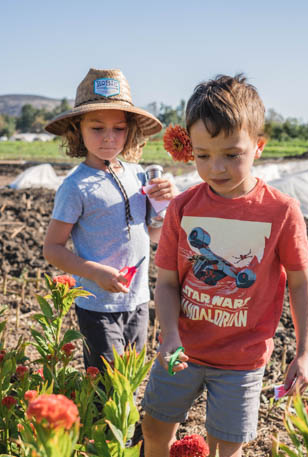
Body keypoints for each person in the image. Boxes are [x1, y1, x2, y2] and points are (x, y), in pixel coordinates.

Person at [141, 74, 308, 457]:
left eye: (232, 155)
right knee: (154, 429)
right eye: (202, 155)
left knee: (225, 455)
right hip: (180, 350)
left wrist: (304, 353)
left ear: (258, 146)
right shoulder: (183, 208)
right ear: (189, 149)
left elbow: (300, 284)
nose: (215, 168)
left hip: (241, 361)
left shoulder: (280, 211)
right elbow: (166, 282)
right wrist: (169, 336)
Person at [43, 68, 178, 371]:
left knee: (128, 383)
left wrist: (165, 205)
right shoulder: (75, 186)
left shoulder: (139, 174)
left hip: (138, 300)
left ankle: (125, 422)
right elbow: (52, 248)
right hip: (98, 305)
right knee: (107, 385)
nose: (109, 138)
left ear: (130, 130)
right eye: (97, 128)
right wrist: (95, 273)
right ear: (77, 129)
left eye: (118, 128)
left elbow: (154, 235)